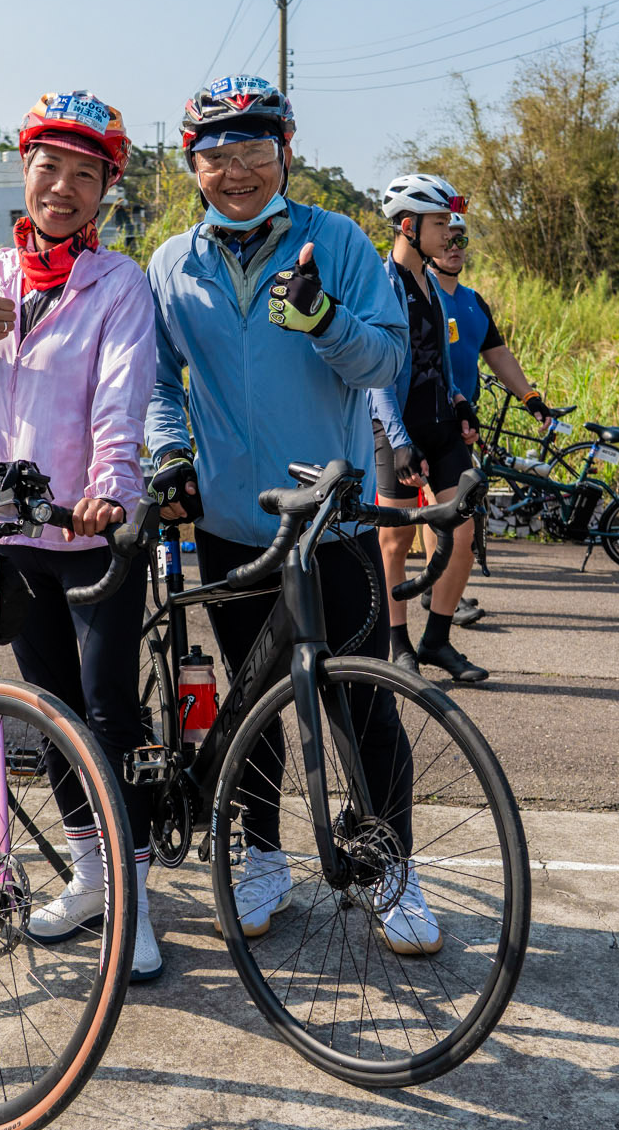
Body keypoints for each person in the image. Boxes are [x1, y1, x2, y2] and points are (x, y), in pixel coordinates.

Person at [146, 76, 442, 955]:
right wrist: (169, 453)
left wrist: (324, 319)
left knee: (362, 706)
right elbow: (161, 383)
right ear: (193, 165)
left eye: (255, 151)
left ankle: (389, 865)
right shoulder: (172, 264)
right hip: (231, 525)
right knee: (249, 707)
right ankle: (265, 856)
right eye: (217, 155)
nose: (237, 171)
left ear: (286, 152)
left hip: (332, 523)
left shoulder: (337, 240)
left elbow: (384, 363)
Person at [0, 89, 161, 981]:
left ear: (106, 189)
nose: (62, 187)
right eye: (47, 167)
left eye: (83, 175)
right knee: (52, 712)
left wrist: (107, 491)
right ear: (24, 171)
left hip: (90, 534)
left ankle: (135, 896)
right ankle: (92, 875)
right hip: (11, 531)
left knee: (107, 711)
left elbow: (121, 400)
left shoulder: (119, 283)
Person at [369, 173, 489, 683]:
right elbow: (376, 373)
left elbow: (437, 361)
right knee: (395, 541)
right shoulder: (382, 284)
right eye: (440, 223)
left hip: (440, 424)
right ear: (407, 226)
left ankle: (436, 639)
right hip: (395, 429)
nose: (449, 233)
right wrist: (399, 442)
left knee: (462, 532)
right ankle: (398, 644)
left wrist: (460, 402)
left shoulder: (433, 287)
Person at [427, 210, 547, 626]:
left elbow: (497, 354)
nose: (454, 247)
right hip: (423, 417)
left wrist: (530, 396)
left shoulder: (474, 301)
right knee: (444, 512)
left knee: (448, 512)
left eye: (461, 240)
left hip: (462, 421)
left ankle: (438, 590)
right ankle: (438, 591)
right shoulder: (422, 294)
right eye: (447, 238)